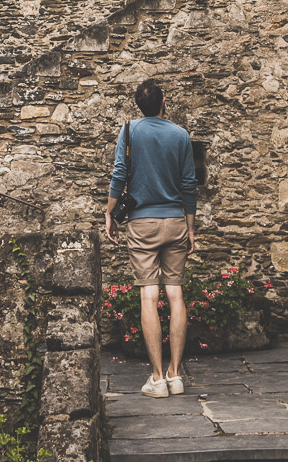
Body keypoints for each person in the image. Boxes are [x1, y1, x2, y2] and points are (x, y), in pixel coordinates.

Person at [105, 79, 196, 398]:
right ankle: (175, 374)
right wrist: (191, 227)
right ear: (163, 101)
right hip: (174, 222)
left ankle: (157, 378)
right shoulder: (181, 135)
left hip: (141, 223)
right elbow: (189, 185)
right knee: (175, 293)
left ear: (138, 104)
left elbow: (119, 174)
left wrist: (109, 213)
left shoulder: (129, 131)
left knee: (148, 295)